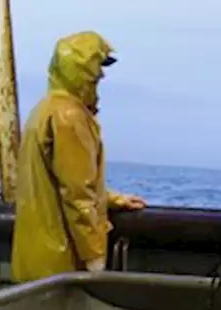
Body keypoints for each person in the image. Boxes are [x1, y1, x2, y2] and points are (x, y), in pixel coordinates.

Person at [10, 31, 147, 283]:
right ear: (82, 70)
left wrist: (112, 199)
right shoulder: (70, 117)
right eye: (98, 67)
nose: (102, 75)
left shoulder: (44, 110)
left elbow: (52, 185)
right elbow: (77, 194)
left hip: (33, 261)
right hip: (60, 267)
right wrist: (95, 258)